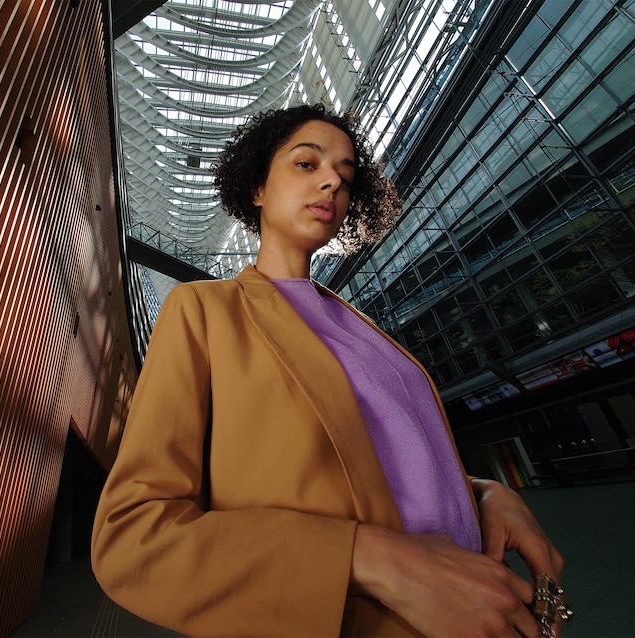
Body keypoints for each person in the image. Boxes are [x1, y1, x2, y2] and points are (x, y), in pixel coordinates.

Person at [91, 103, 566, 637]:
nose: (331, 184)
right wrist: (377, 559)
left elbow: (386, 466)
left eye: (344, 174)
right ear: (257, 188)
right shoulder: (202, 310)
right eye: (306, 164)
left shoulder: (363, 328)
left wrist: (483, 494)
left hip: (479, 609)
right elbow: (134, 536)